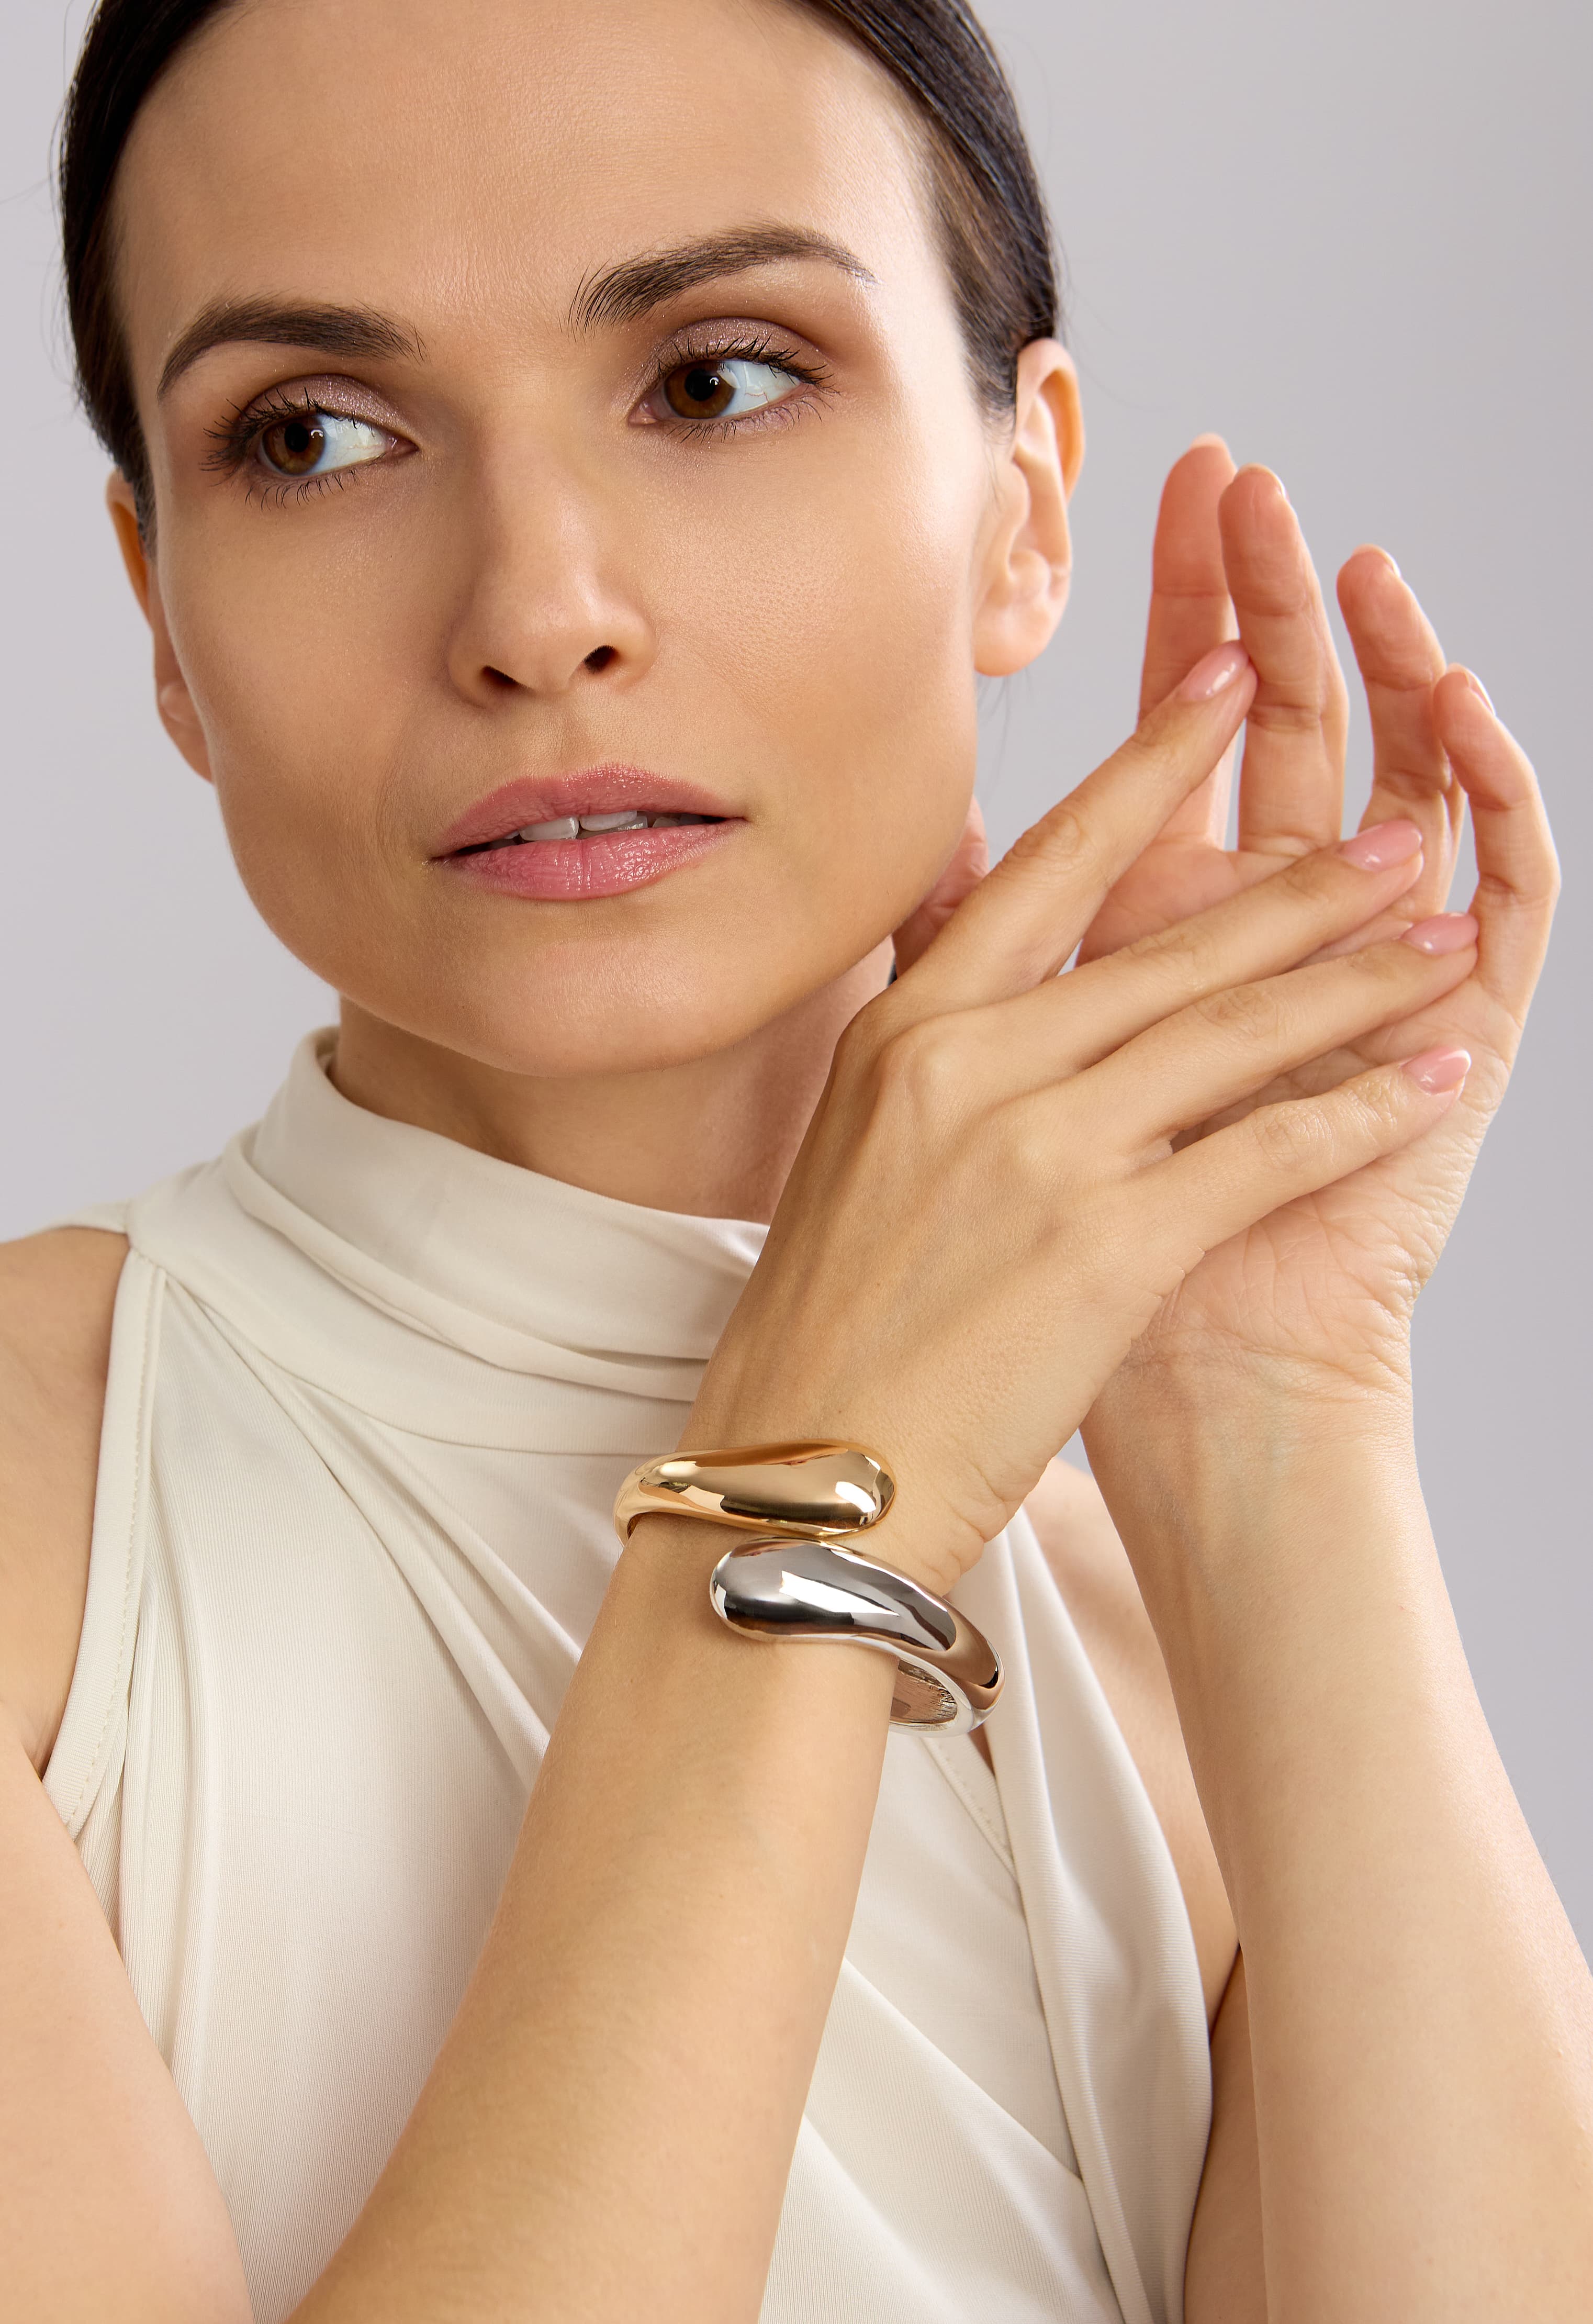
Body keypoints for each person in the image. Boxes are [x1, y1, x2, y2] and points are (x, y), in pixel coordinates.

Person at [2, 0, 1588, 2318]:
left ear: (1020, 506)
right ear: (163, 614)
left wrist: (1267, 1430)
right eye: (314, 435)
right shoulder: (38, 1516)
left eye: (718, 380)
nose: (538, 614)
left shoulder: (1151, 1621)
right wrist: (808, 1482)